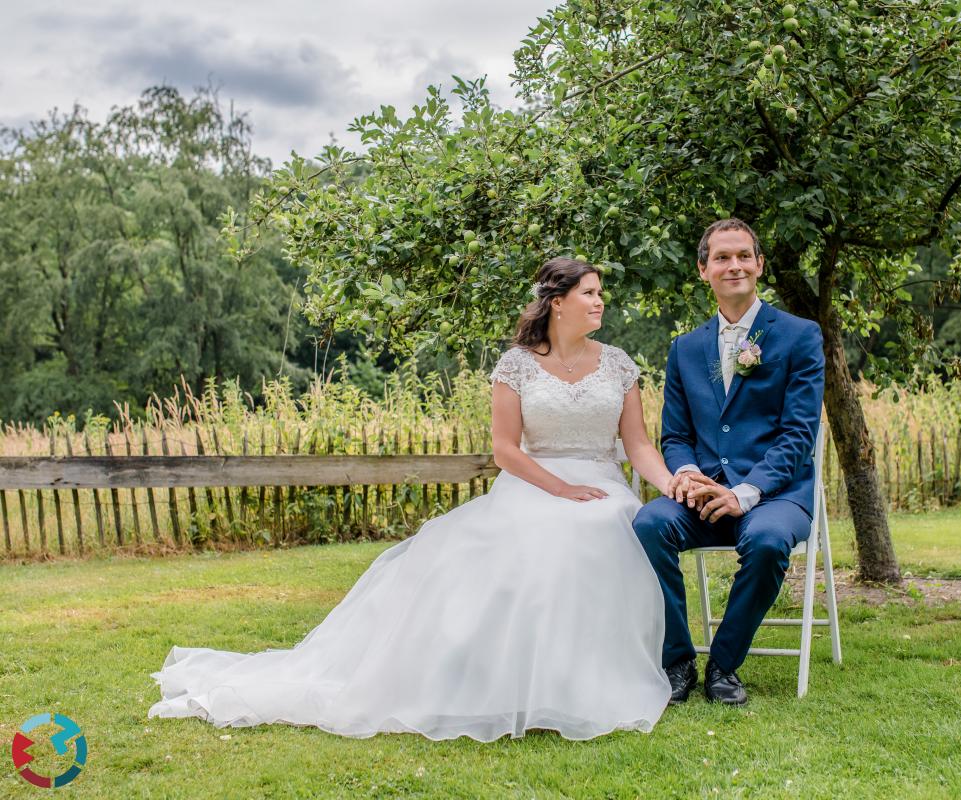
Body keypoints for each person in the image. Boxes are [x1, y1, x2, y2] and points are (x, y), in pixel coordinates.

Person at [148, 257, 675, 741]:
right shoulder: (516, 365)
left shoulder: (619, 364)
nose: (600, 301)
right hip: (534, 482)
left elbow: (639, 445)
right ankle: (499, 676)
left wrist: (671, 484)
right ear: (558, 302)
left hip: (602, 483)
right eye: (589, 292)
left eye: (600, 293)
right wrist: (560, 490)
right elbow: (504, 450)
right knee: (531, 537)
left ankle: (587, 674)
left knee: (605, 522)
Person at [633, 218, 825, 706]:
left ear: (759, 265)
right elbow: (675, 435)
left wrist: (744, 493)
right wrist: (686, 473)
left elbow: (798, 434)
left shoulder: (801, 336)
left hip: (773, 496)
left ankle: (724, 663)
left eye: (743, 255)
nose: (733, 265)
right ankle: (677, 660)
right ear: (704, 270)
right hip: (703, 495)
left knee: (764, 541)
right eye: (722, 257)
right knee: (649, 523)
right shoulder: (685, 348)